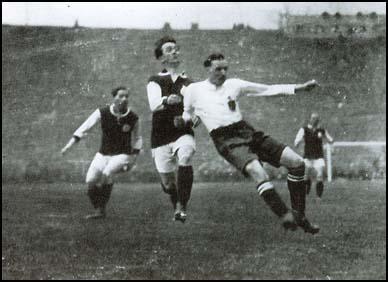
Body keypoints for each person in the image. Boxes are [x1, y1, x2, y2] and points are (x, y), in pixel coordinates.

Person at [179, 53, 320, 233]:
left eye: (225, 69)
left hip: (247, 131)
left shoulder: (234, 85)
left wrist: (300, 88)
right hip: (225, 139)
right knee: (257, 171)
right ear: (208, 68)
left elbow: (267, 89)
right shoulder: (194, 90)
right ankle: (284, 215)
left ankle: (299, 216)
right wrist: (185, 121)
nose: (223, 72)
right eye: (218, 69)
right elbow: (187, 114)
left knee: (297, 163)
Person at [61, 86, 143, 219]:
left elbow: (138, 138)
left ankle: (100, 210)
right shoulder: (102, 112)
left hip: (123, 154)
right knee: (90, 181)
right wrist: (68, 146)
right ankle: (100, 209)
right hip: (103, 154)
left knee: (107, 173)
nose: (124, 99)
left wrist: (134, 158)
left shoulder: (133, 117)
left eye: (127, 96)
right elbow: (84, 128)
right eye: (121, 96)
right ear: (114, 98)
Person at [146, 36, 198, 222]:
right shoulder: (155, 81)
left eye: (176, 48)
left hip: (182, 133)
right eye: (169, 49)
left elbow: (197, 113)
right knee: (168, 184)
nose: (175, 51)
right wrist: (167, 100)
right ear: (161, 58)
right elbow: (153, 104)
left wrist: (190, 121)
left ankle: (181, 207)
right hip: (160, 136)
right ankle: (175, 198)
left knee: (186, 153)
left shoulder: (190, 83)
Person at [294, 112, 334, 198]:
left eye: (316, 118)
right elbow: (297, 140)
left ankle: (319, 196)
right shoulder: (304, 129)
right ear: (310, 119)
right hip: (308, 156)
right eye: (313, 118)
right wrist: (297, 142)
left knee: (319, 175)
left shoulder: (321, 130)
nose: (314, 120)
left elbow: (330, 139)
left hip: (318, 156)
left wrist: (330, 143)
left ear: (318, 120)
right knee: (306, 175)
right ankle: (306, 193)